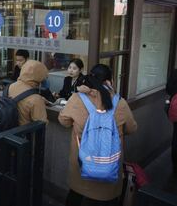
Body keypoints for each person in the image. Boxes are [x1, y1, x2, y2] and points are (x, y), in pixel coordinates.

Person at [58, 64, 137, 206]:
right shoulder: (120, 103)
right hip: (109, 164)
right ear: (110, 81)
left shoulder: (77, 98)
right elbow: (131, 128)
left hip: (82, 162)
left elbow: (63, 121)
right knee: (108, 199)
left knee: (75, 195)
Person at [9, 60, 49, 126]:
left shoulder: (10, 86)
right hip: (23, 134)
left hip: (6, 130)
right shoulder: (36, 99)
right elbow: (42, 124)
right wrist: (40, 102)